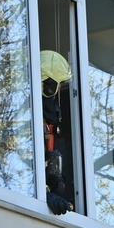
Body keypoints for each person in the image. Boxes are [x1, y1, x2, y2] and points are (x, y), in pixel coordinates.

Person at [41, 50, 74, 216]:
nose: (60, 89)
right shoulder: (27, 122)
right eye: (58, 85)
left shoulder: (51, 124)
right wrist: (44, 196)